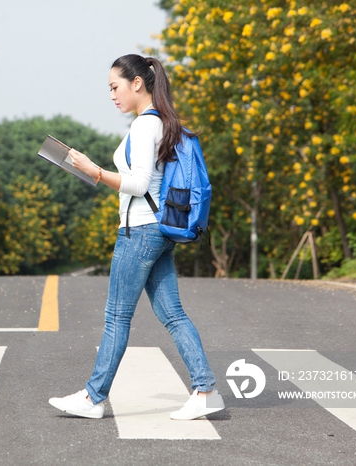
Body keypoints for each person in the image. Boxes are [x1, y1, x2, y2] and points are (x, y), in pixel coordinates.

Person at [48, 54, 224, 421]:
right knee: (173, 314)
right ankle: (205, 389)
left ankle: (94, 398)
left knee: (116, 317)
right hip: (156, 230)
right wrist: (92, 171)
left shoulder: (146, 126)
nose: (111, 95)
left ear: (137, 83)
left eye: (115, 87)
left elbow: (139, 183)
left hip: (140, 231)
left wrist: (94, 171)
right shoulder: (160, 122)